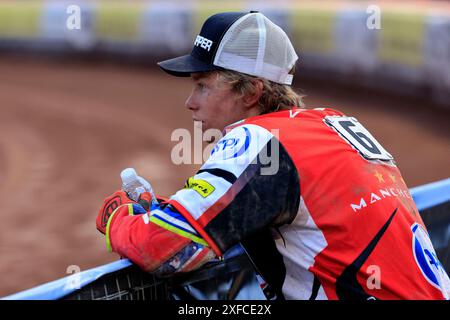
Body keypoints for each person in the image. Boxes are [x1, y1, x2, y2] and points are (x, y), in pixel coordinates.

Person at [96, 11, 450, 300]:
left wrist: (119, 219)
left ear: (251, 91)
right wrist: (167, 212)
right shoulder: (335, 123)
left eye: (203, 85)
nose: (191, 102)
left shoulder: (258, 142)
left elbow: (164, 247)